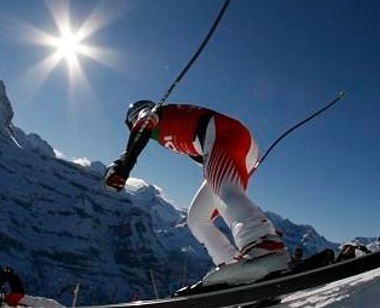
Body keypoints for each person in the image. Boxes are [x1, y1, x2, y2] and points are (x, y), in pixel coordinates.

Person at [104, 100, 290, 286]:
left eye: (132, 124)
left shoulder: (150, 113)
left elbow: (143, 125)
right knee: (197, 218)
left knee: (224, 192)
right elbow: (199, 154)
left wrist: (125, 166)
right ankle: (234, 267)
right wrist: (122, 161)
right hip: (231, 143)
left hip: (225, 136)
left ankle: (264, 247)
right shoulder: (167, 131)